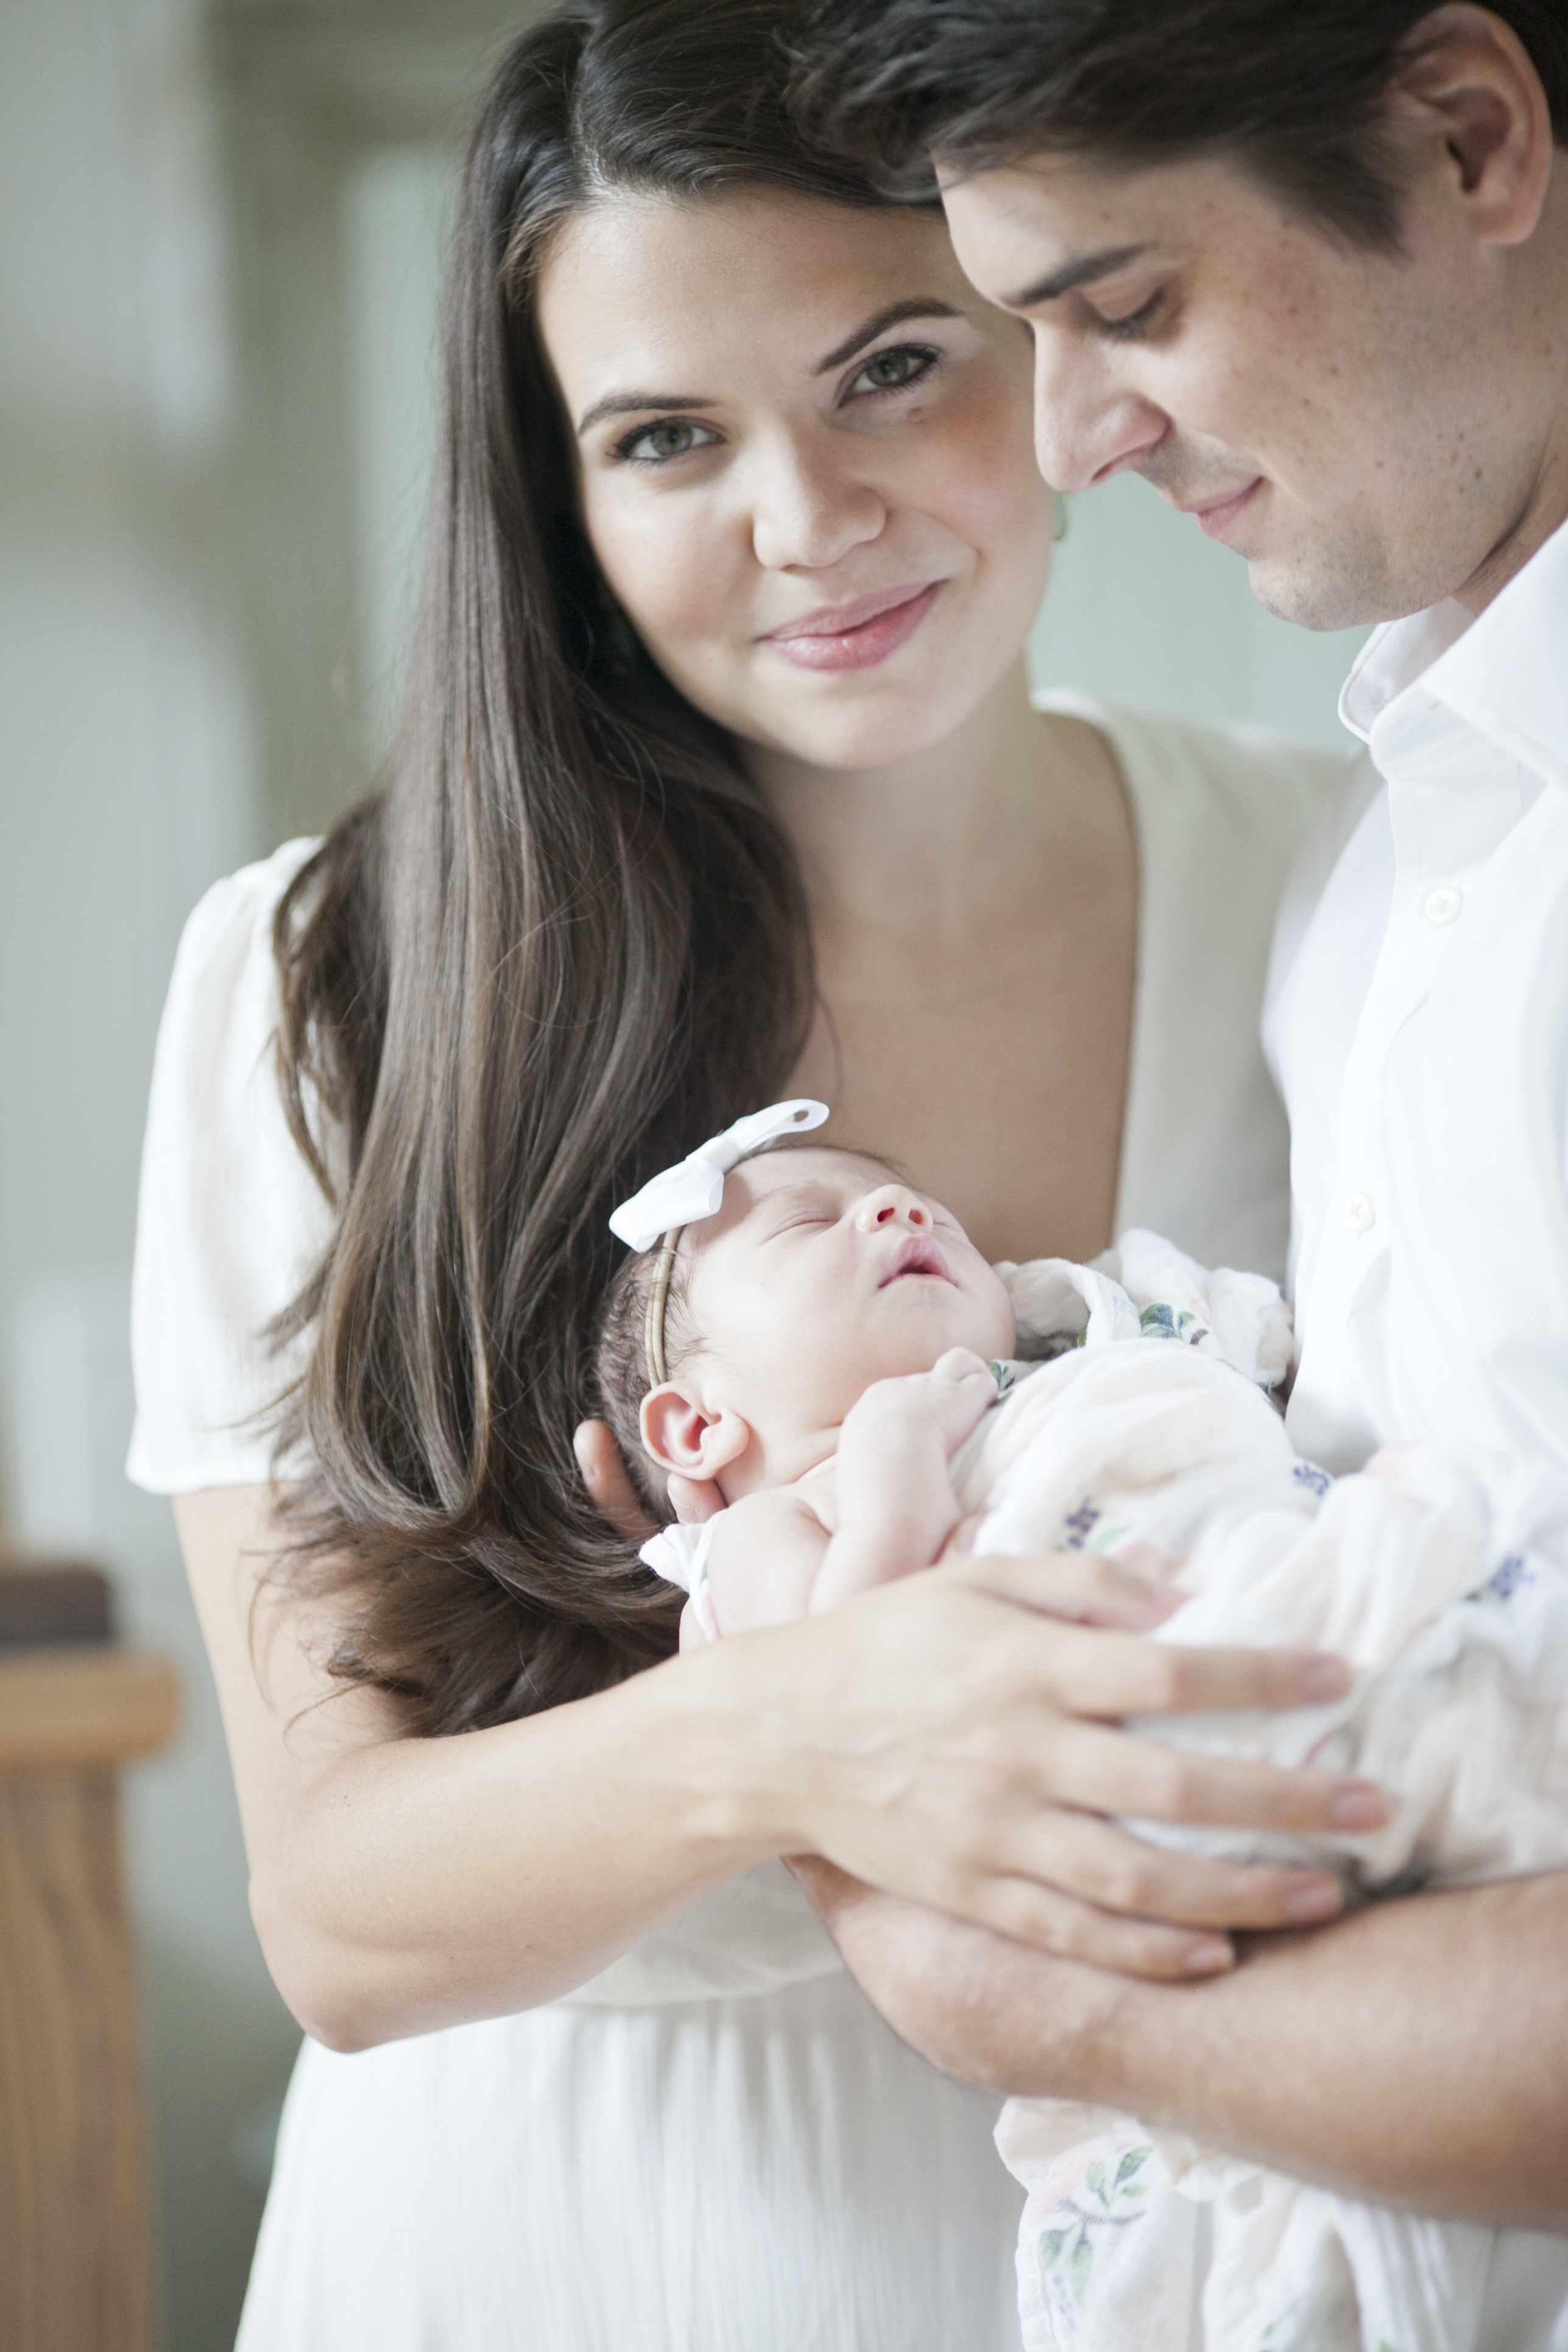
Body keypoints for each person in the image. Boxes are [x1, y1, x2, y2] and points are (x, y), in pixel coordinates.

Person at [126, 1, 1368, 2343]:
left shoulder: (1339, 877)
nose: (806, 523)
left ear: (1044, 334)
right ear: (566, 508)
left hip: (1174, 2211)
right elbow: (342, 1909)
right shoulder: (327, 981)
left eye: (890, 365)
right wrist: (805, 1725)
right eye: (667, 436)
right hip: (523, 2238)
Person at [788, 0, 1568, 2341]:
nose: (1071, 435)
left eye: (1126, 306)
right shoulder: (1380, 880)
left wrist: (1038, 2001)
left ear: (1464, 138)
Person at [603, 1116, 1568, 2351]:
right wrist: (896, 1448)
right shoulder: (771, 1527)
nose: (898, 1215)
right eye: (809, 1222)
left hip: (1255, 1591)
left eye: (915, 1205)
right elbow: (846, 1686)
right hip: (1123, 1754)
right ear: (696, 1425)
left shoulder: (1058, 1374)